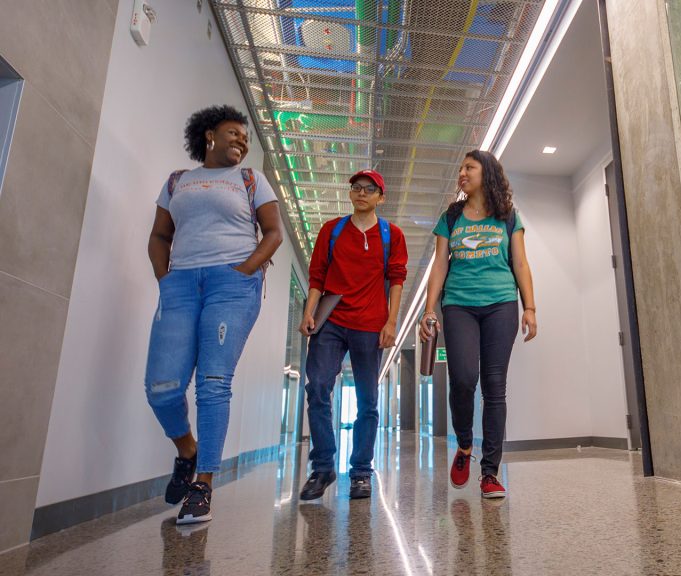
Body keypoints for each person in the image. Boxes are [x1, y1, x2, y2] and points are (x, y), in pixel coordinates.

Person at [146, 105, 283, 524]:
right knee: (162, 388)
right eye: (233, 133)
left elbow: (274, 232)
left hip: (231, 286)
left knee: (212, 382)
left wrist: (244, 269)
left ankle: (203, 484)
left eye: (245, 137)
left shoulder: (251, 180)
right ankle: (187, 450)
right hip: (182, 285)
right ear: (209, 135)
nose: (241, 141)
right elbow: (159, 235)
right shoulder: (177, 181)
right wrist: (165, 278)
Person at [418, 150, 538, 499]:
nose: (462, 173)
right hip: (459, 305)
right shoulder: (451, 217)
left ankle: (490, 473)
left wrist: (529, 307)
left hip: (501, 303)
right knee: (464, 378)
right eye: (461, 168)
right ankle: (465, 444)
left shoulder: (507, 216)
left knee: (494, 387)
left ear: (486, 173)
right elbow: (440, 265)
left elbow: (520, 262)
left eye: (468, 167)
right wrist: (429, 309)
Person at [299, 169, 408, 501]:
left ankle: (361, 471)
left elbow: (397, 279)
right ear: (351, 194)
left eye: (369, 189)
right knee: (317, 387)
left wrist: (391, 323)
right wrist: (309, 311)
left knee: (368, 402)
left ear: (380, 197)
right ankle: (323, 467)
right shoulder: (332, 230)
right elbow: (317, 275)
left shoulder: (392, 235)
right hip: (330, 321)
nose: (361, 193)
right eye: (356, 188)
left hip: (369, 324)